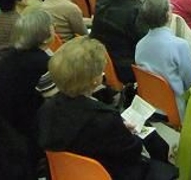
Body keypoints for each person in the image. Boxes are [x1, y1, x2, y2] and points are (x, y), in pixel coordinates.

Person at [37, 37, 177, 180]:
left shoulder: (46, 110)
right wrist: (129, 133)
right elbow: (132, 152)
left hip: (71, 173)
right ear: (95, 79)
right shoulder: (104, 118)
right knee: (154, 141)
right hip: (111, 171)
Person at [0, 10, 56, 166]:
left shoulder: (7, 57)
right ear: (44, 34)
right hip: (30, 130)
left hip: (6, 127)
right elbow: (55, 99)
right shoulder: (42, 63)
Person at [135, 0, 191, 119]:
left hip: (150, 104)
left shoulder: (140, 45)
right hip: (176, 108)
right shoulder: (179, 45)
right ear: (167, 15)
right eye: (169, 6)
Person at [90, 0, 149, 84]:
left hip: (97, 57)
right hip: (125, 68)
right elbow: (143, 41)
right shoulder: (136, 9)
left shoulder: (101, 0)